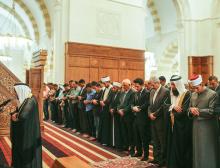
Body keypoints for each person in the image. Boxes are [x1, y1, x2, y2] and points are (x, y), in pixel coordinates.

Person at [189, 75, 219, 168]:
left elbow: (212, 111)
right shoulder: (193, 94)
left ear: (201, 84)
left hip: (208, 128)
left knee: (207, 151)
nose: (195, 90)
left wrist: (197, 111)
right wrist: (190, 110)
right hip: (196, 127)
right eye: (193, 88)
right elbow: (189, 109)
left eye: (197, 88)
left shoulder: (212, 94)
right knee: (197, 151)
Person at [11, 83, 42, 168]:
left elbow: (23, 115)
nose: (14, 94)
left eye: (15, 92)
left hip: (29, 133)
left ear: (21, 90)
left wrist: (16, 116)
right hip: (25, 131)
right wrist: (15, 113)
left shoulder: (31, 100)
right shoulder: (25, 99)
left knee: (27, 154)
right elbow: (20, 111)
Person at [166, 75, 192, 168]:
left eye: (173, 85)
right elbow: (165, 105)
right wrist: (173, 107)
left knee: (181, 147)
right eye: (171, 85)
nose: (172, 87)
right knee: (173, 145)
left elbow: (183, 110)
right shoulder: (171, 93)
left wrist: (172, 112)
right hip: (172, 125)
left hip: (182, 126)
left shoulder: (187, 94)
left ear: (178, 85)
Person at [148, 76, 170, 167]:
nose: (151, 86)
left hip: (160, 120)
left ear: (157, 83)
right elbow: (150, 105)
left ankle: (162, 160)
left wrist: (155, 114)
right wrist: (149, 113)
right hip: (152, 119)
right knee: (155, 140)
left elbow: (163, 106)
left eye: (153, 85)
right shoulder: (152, 91)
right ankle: (156, 158)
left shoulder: (165, 91)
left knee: (161, 141)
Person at [131, 78, 150, 161]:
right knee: (136, 135)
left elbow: (147, 103)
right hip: (136, 117)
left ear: (142, 85)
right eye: (135, 86)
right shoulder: (135, 93)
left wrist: (139, 108)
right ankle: (139, 151)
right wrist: (132, 107)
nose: (136, 87)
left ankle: (146, 155)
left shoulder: (147, 93)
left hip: (143, 118)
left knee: (144, 137)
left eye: (137, 86)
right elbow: (132, 103)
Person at [117, 79, 135, 155]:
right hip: (122, 115)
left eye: (125, 85)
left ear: (129, 85)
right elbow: (119, 102)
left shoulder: (132, 92)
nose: (123, 86)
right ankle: (126, 146)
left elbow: (130, 104)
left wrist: (123, 111)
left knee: (130, 133)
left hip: (129, 116)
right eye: (123, 85)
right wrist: (118, 109)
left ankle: (132, 148)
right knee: (124, 132)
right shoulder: (122, 92)